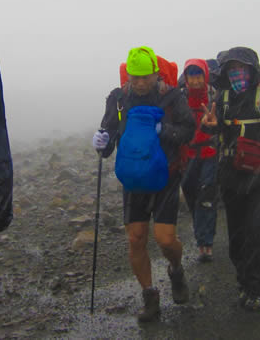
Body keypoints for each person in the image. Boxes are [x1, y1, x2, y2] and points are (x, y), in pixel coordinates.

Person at [92, 46, 196, 322]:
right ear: (128, 75)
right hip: (134, 179)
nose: (139, 83)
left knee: (165, 239)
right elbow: (110, 134)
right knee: (136, 239)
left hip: (167, 176)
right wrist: (102, 143)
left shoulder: (172, 97)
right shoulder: (118, 99)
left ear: (155, 73)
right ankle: (150, 296)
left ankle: (176, 269)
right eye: (134, 77)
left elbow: (189, 130)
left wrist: (166, 131)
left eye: (145, 77)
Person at [199, 47, 260, 311]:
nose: (238, 74)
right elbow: (214, 128)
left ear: (252, 70)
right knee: (237, 234)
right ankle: (243, 280)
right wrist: (210, 125)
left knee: (256, 229)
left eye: (243, 69)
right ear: (226, 73)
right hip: (231, 174)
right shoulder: (221, 98)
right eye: (232, 69)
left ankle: (256, 287)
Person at [180, 59, 218, 262]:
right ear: (186, 78)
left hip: (210, 153)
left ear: (205, 76)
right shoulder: (180, 97)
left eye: (199, 76)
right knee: (191, 195)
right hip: (188, 156)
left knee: (207, 194)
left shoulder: (214, 96)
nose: (195, 81)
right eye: (191, 77)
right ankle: (201, 234)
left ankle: (206, 243)